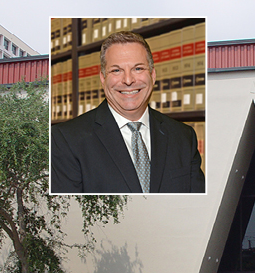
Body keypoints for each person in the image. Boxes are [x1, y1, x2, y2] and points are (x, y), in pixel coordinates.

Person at [51, 31, 205, 193]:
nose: (128, 80)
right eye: (116, 71)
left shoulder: (184, 136)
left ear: (152, 75)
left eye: (138, 68)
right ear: (103, 79)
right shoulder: (65, 140)